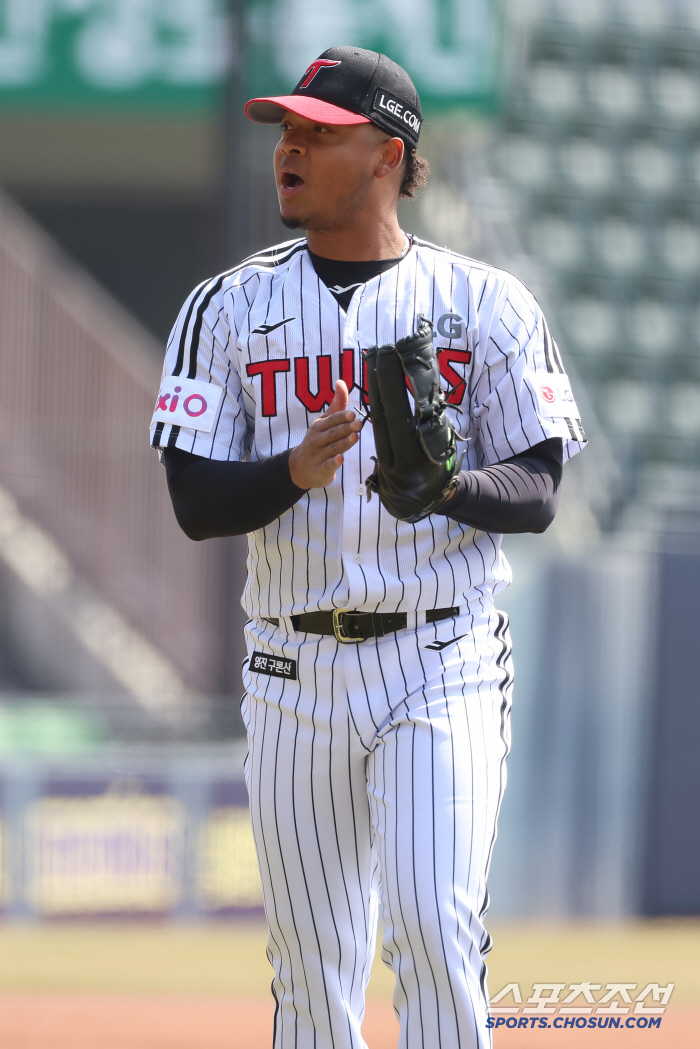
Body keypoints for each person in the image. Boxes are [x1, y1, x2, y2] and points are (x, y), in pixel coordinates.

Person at [150, 46, 585, 1049]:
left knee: (433, 923)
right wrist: (291, 471)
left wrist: (448, 486)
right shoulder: (226, 309)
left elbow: (538, 489)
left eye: (317, 133)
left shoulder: (485, 304)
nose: (288, 149)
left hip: (440, 656)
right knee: (312, 964)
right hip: (290, 666)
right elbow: (193, 500)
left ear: (389, 153)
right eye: (284, 132)